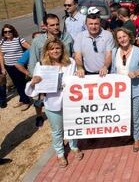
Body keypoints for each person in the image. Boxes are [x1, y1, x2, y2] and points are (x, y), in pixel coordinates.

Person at [25, 38, 83, 168]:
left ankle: (74, 146)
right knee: (57, 130)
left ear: (62, 49)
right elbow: (34, 90)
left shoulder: (70, 62)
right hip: (52, 102)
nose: (55, 51)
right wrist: (34, 82)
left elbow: (76, 80)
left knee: (72, 126)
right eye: (52, 49)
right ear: (47, 51)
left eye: (58, 48)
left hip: (70, 101)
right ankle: (60, 153)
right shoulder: (41, 65)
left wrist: (79, 73)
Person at [111, 28, 139, 152]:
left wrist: (138, 73)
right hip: (120, 92)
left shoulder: (138, 52)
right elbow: (112, 71)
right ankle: (128, 134)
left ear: (129, 36)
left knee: (136, 115)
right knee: (125, 114)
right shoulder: (114, 52)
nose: (122, 39)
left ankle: (137, 138)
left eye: (124, 36)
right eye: (119, 37)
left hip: (135, 89)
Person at [0, 24, 32, 110]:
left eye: (9, 31)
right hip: (8, 66)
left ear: (13, 31)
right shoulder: (2, 42)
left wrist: (25, 60)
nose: (8, 33)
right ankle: (22, 99)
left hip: (19, 66)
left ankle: (26, 101)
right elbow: (1, 56)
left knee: (21, 83)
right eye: (5, 32)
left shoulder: (19, 40)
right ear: (3, 33)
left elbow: (30, 48)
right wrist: (3, 68)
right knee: (16, 83)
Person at [15, 32, 43, 126]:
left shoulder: (49, 49)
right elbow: (18, 64)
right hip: (37, 80)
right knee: (37, 99)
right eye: (36, 39)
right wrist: (29, 74)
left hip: (50, 78)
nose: (38, 41)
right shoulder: (29, 51)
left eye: (41, 38)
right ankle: (39, 116)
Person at [74, 13, 114, 77]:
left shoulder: (108, 35)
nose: (93, 27)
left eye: (96, 24)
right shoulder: (80, 36)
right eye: (90, 24)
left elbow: (109, 54)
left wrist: (105, 67)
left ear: (100, 24)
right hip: (87, 74)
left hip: (105, 73)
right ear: (86, 25)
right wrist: (79, 67)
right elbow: (77, 55)